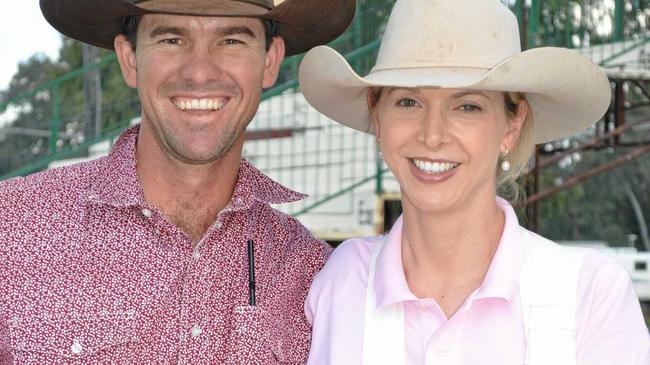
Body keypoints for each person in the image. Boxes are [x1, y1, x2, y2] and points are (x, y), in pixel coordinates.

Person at [0, 0, 354, 363]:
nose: (199, 72)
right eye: (171, 39)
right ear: (130, 59)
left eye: (231, 40)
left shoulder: (311, 272)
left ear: (269, 61)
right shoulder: (12, 228)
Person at [298, 0, 650, 364]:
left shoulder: (589, 296)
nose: (433, 135)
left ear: (511, 126)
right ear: (378, 117)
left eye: (467, 106)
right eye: (408, 102)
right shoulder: (341, 281)